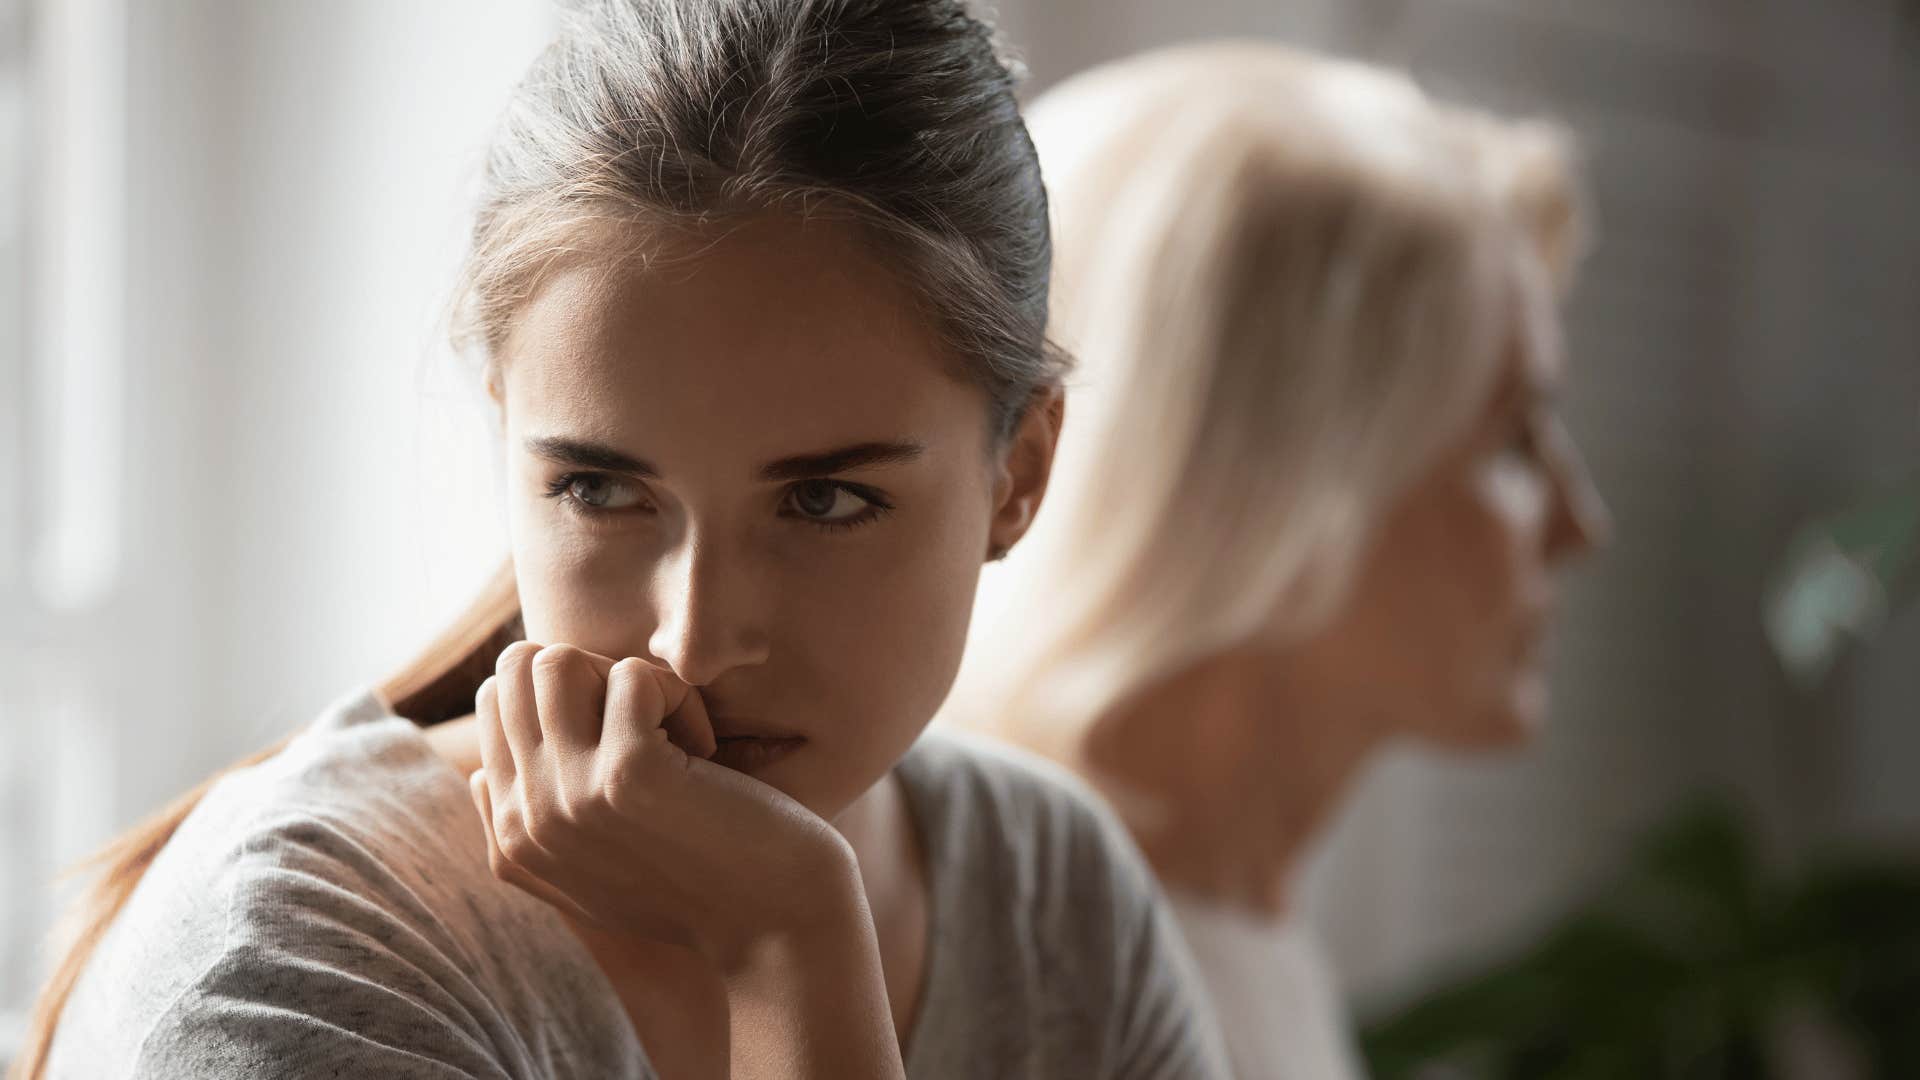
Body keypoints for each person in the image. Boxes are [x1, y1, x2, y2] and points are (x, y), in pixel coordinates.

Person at [15, 5, 1230, 1078]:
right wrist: (785, 940)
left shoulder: (1048, 895)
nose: (694, 637)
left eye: (824, 501)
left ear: (1017, 475)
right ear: (511, 441)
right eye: (600, 489)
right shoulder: (292, 959)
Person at [943, 43, 1613, 1080]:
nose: (1580, 525)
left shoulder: (1223, 928)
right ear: (1277, 481)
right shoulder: (1045, 982)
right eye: (1515, 438)